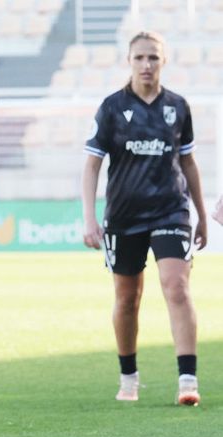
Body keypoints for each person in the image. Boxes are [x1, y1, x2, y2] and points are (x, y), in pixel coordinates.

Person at [82, 31, 207, 406]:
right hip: (124, 216)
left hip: (171, 209)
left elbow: (188, 162)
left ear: (163, 61)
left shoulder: (178, 107)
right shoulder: (112, 108)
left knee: (176, 286)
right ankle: (129, 378)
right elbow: (92, 165)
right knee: (127, 299)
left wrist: (201, 214)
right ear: (129, 61)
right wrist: (89, 218)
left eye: (153, 57)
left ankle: (187, 381)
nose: (146, 64)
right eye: (139, 57)